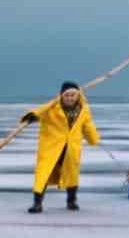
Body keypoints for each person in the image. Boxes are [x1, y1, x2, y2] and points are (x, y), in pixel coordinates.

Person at [20, 82, 99, 213]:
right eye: (67, 95)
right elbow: (38, 112)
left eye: (73, 95)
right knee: (43, 174)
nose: (70, 98)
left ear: (78, 95)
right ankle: (37, 203)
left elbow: (88, 125)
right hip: (51, 147)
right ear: (61, 96)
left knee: (72, 174)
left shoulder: (84, 109)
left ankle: (71, 201)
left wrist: (94, 139)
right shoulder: (51, 108)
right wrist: (31, 116)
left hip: (71, 148)